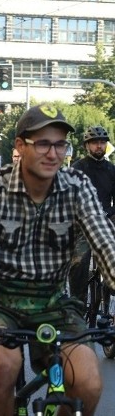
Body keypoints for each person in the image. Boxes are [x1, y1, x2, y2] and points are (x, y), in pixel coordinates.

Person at [0, 104, 115, 416]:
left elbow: (105, 242)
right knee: (4, 367)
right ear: (20, 146)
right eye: (43, 143)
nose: (53, 153)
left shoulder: (76, 186)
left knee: (89, 382)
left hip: (54, 304)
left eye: (59, 144)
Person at [68, 126, 115, 305]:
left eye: (102, 142)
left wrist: (107, 213)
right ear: (87, 145)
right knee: (79, 264)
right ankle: (77, 308)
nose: (99, 146)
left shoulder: (112, 170)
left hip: (106, 222)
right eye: (95, 142)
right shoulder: (76, 169)